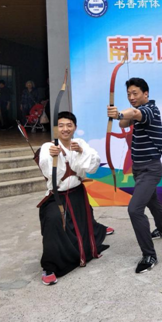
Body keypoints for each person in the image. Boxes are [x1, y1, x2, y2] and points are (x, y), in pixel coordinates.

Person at [37, 111, 113, 286]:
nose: (65, 129)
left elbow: (92, 165)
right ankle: (50, 267)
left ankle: (94, 235)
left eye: (69, 125)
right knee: (54, 221)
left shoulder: (80, 143)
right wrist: (52, 157)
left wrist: (81, 151)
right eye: (61, 125)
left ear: (75, 127)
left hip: (77, 192)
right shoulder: (47, 147)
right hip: (58, 195)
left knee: (85, 221)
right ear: (55, 128)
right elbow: (48, 171)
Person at [107, 78, 162, 274]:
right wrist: (118, 115)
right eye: (129, 94)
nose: (131, 97)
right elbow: (124, 121)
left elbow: (133, 114)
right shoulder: (137, 111)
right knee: (152, 200)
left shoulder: (151, 110)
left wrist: (119, 113)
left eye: (135, 93)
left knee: (134, 209)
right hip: (139, 168)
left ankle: (149, 255)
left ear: (146, 93)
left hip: (151, 169)